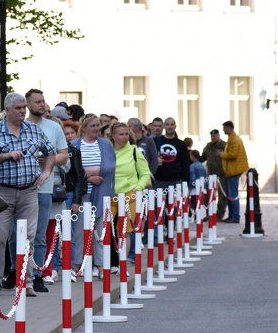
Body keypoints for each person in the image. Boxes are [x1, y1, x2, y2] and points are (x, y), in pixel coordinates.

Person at [0, 93, 56, 293]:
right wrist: (5, 156)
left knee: (28, 238)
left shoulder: (34, 130)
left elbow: (51, 152)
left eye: (24, 107)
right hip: (2, 192)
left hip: (29, 191)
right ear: (6, 110)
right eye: (17, 108)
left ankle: (27, 281)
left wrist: (46, 172)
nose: (22, 111)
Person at [26, 89, 68, 294]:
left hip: (44, 187)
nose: (42, 105)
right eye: (37, 102)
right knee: (17, 233)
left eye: (43, 101)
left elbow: (63, 156)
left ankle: (38, 273)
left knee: (40, 234)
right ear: (27, 104)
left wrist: (47, 160)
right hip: (22, 186)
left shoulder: (53, 128)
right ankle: (17, 271)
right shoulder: (21, 126)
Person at [69, 114, 115, 272]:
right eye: (93, 126)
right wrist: (88, 177)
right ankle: (77, 264)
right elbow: (72, 172)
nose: (96, 128)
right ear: (85, 128)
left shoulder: (105, 144)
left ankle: (101, 265)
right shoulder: (75, 145)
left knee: (100, 230)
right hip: (82, 194)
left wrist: (90, 173)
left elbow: (109, 167)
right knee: (79, 231)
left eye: (98, 125)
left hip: (101, 192)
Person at [110, 122, 151, 261]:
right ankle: (106, 265)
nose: (124, 137)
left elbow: (145, 174)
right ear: (113, 136)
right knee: (105, 231)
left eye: (126, 134)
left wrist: (137, 189)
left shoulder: (135, 151)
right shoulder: (108, 151)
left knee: (124, 232)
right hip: (109, 195)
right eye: (121, 134)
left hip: (128, 196)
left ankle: (122, 263)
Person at [219, 120, 248, 223]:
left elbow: (232, 155)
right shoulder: (231, 139)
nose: (223, 130)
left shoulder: (235, 139)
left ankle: (235, 216)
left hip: (234, 170)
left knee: (233, 195)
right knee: (229, 195)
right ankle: (231, 215)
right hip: (230, 170)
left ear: (229, 128)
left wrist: (221, 154)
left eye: (224, 128)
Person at [152, 117, 189, 191]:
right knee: (158, 202)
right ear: (164, 126)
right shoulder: (155, 141)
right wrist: (155, 161)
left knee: (176, 203)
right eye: (167, 124)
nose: (169, 126)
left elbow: (185, 164)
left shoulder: (182, 144)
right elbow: (148, 159)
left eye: (172, 124)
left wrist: (185, 182)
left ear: (175, 126)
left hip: (176, 181)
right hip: (159, 180)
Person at [200, 129, 227, 219]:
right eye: (212, 136)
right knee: (208, 194)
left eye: (215, 136)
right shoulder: (208, 146)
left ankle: (219, 215)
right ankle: (209, 213)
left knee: (222, 195)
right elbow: (203, 157)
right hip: (211, 174)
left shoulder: (224, 145)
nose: (213, 138)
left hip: (222, 174)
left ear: (218, 136)